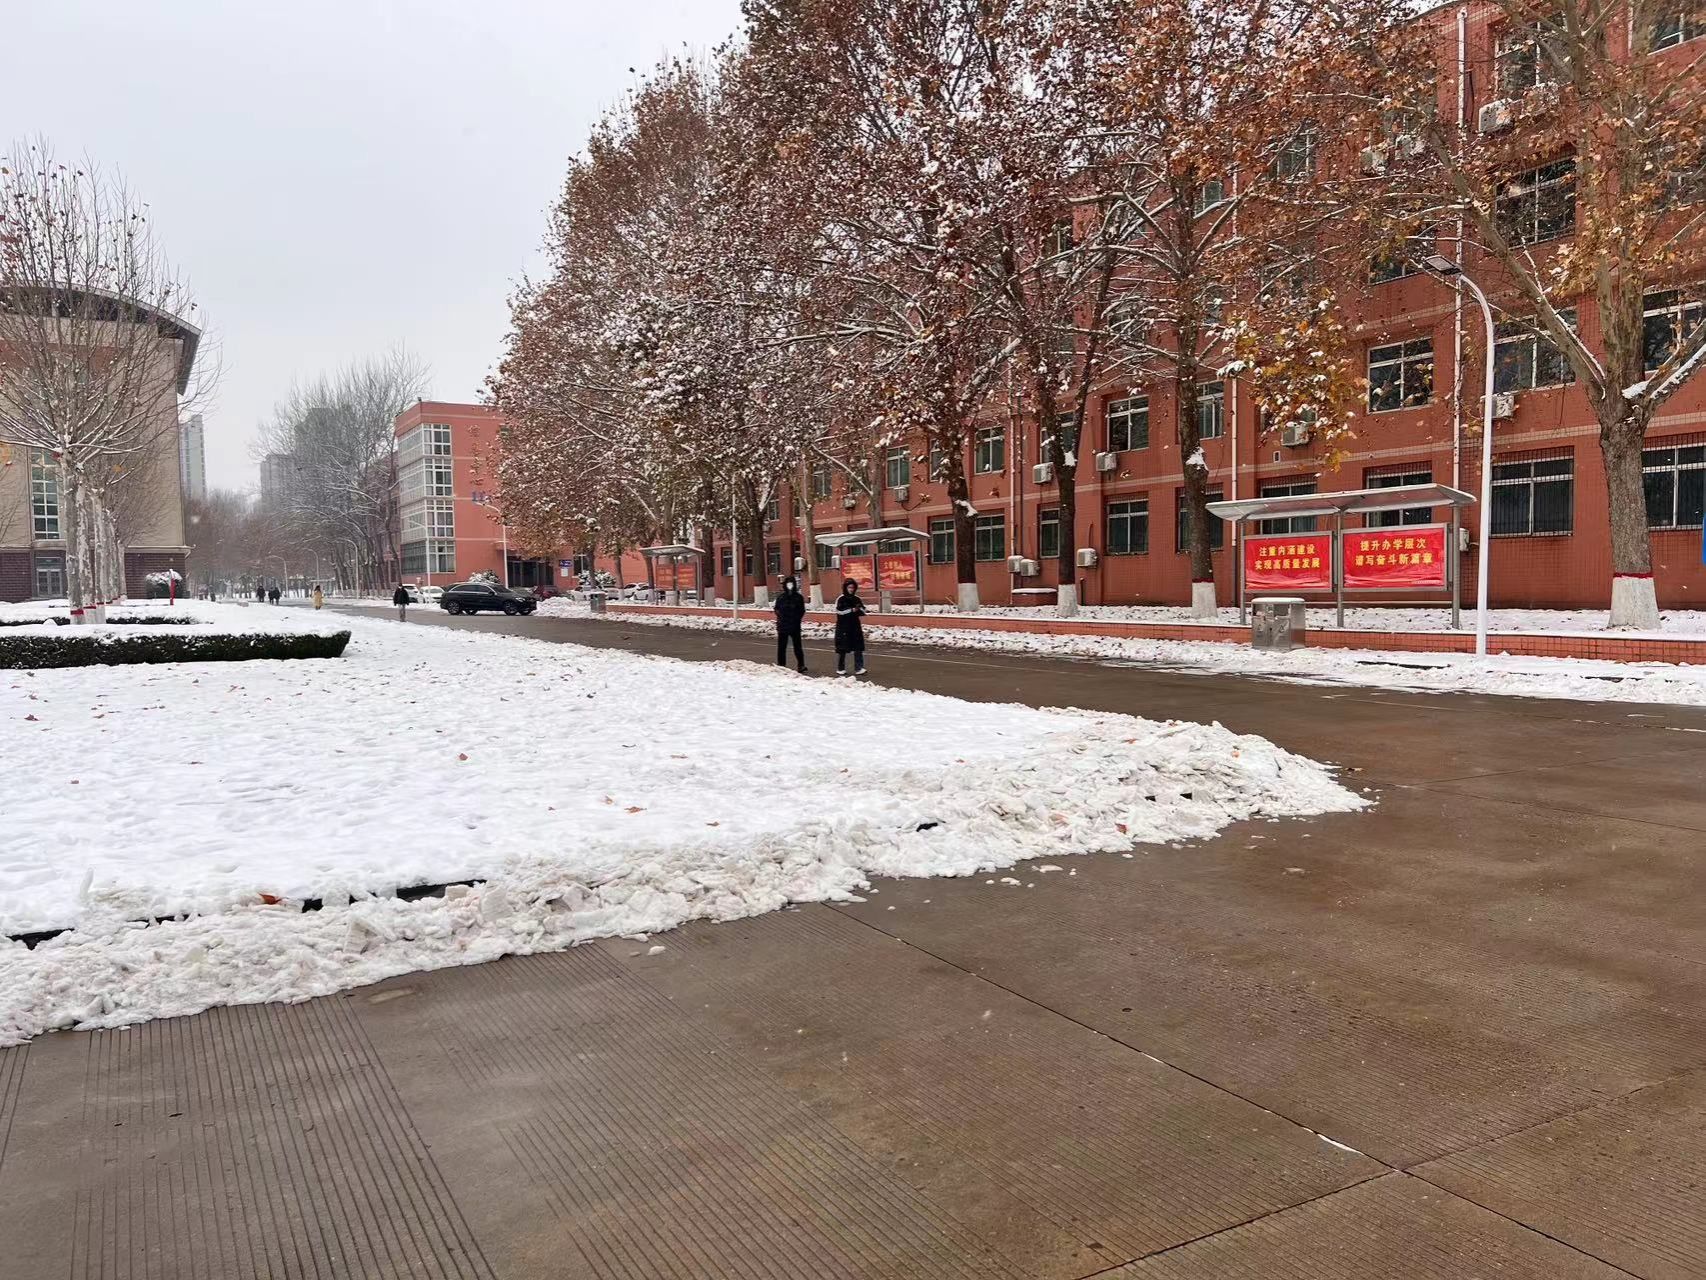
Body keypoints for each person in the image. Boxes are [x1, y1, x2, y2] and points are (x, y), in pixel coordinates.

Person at [834, 578, 867, 677]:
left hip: (855, 626)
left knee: (858, 647)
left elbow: (864, 611)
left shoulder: (857, 598)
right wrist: (851, 610)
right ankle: (841, 668)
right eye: (849, 587)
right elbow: (839, 611)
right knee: (842, 648)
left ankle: (859, 668)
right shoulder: (841, 599)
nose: (851, 589)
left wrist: (859, 608)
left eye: (853, 587)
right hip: (843, 626)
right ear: (845, 588)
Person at [773, 575, 807, 672]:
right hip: (783, 625)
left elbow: (801, 610)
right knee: (781, 647)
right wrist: (781, 617)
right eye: (788, 584)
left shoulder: (798, 597)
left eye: (791, 584)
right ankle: (781, 665)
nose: (790, 586)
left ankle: (801, 665)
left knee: (797, 646)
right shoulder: (781, 597)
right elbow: (776, 609)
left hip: (794, 625)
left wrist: (796, 619)